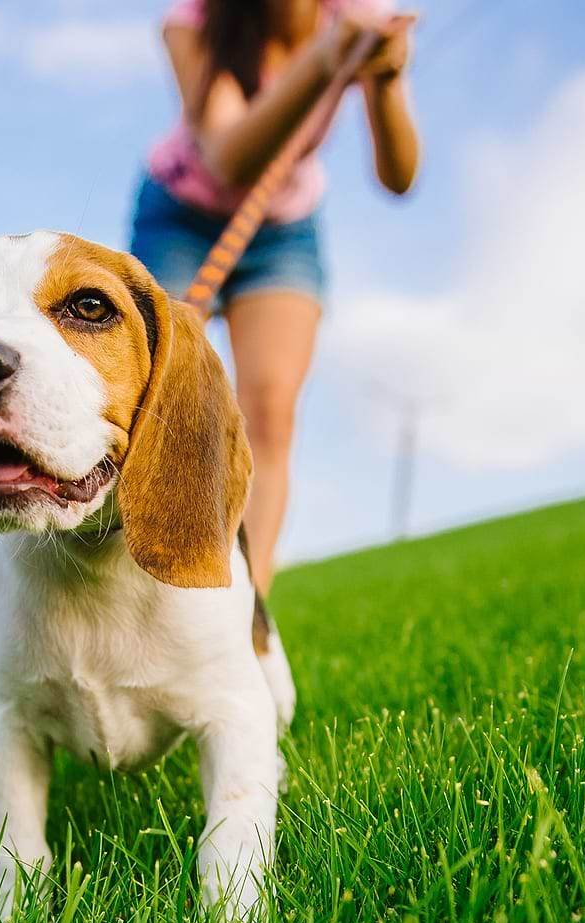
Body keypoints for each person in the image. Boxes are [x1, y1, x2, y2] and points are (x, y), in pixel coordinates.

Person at [129, 0, 419, 594]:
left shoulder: (357, 15)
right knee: (151, 394)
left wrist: (385, 76)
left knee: (271, 409)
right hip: (179, 214)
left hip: (284, 228)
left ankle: (247, 605)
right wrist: (323, 59)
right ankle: (140, 584)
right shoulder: (193, 22)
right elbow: (230, 158)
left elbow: (399, 177)